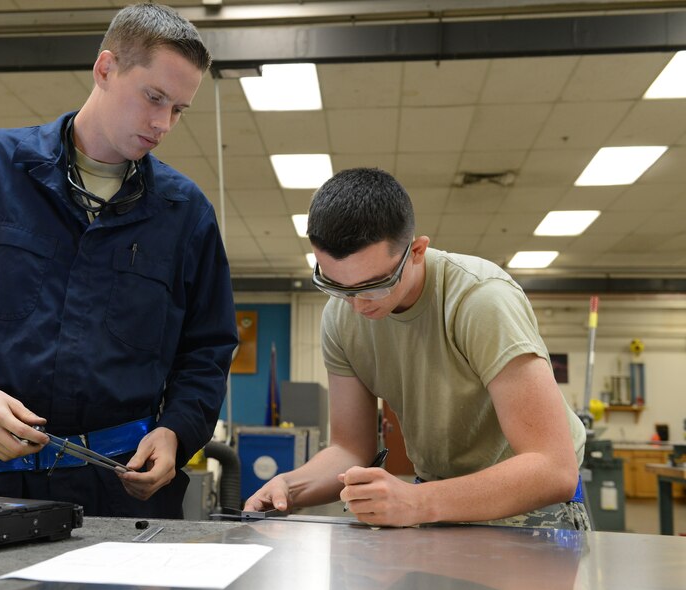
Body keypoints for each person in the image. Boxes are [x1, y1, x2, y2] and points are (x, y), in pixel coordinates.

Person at [0, 3, 237, 518]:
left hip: (123, 495)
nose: (163, 123)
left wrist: (175, 432)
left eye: (178, 109)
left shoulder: (185, 213)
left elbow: (207, 350)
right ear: (105, 68)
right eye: (154, 97)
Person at [244, 168, 589, 530]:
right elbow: (349, 450)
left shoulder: (481, 300)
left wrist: (417, 501)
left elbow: (553, 468)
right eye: (336, 287)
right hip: (435, 501)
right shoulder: (340, 317)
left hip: (527, 507)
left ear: (417, 251)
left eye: (374, 286)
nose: (358, 306)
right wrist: (292, 486)